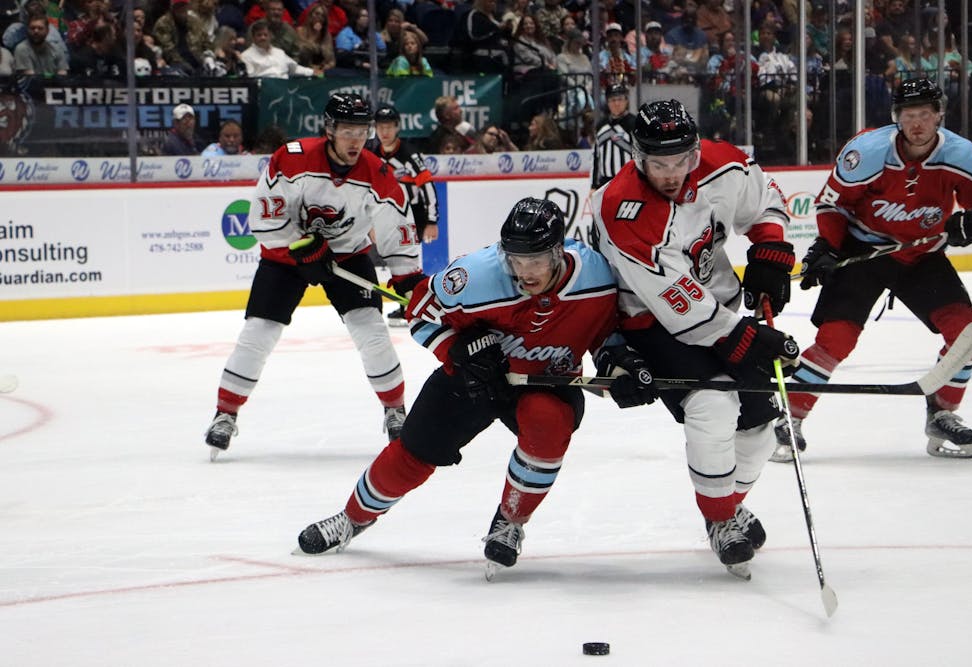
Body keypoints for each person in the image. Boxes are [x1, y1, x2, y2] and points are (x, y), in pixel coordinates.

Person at [295, 198, 657, 576]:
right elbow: (420, 315)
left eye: (535, 261)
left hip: (544, 379)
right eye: (516, 260)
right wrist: (458, 349)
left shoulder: (596, 276)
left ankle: (510, 522)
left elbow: (603, 332)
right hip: (474, 377)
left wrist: (618, 364)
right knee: (413, 454)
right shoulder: (474, 276)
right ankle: (351, 518)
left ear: (558, 252)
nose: (525, 272)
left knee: (548, 425)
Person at [590, 99, 799, 577]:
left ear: (695, 149)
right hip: (651, 322)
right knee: (713, 405)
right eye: (658, 164)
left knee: (760, 433)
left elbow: (763, 195)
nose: (671, 173)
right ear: (638, 156)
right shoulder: (621, 209)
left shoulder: (721, 162)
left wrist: (769, 249)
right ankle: (722, 519)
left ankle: (723, 504)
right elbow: (678, 306)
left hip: (720, 306)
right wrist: (748, 339)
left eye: (680, 161)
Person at [773, 77, 972, 461]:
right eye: (909, 115)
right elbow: (832, 204)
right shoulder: (867, 151)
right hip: (866, 251)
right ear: (896, 117)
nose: (917, 124)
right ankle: (789, 416)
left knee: (967, 333)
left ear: (939, 115)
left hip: (923, 255)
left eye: (925, 114)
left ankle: (942, 412)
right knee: (836, 338)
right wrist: (827, 245)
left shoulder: (961, 155)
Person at [204, 93, 425, 460]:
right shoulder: (292, 158)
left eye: (362, 131)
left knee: (371, 330)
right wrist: (302, 246)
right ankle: (224, 414)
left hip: (346, 257)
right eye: (348, 131)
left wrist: (406, 280)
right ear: (330, 129)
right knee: (259, 332)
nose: (356, 140)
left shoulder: (379, 173)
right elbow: (263, 218)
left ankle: (395, 411)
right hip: (285, 258)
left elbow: (397, 231)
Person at [366, 103, 438, 325]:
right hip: (383, 216)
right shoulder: (371, 155)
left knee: (408, 263)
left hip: (412, 215)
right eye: (380, 127)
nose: (384, 132)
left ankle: (414, 305)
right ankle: (403, 303)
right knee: (386, 262)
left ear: (397, 127)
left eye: (389, 127)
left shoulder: (409, 154)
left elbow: (427, 186)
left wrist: (432, 220)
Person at [590, 81, 634, 191]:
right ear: (607, 102)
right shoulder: (601, 125)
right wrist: (593, 185)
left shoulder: (634, 124)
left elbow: (641, 157)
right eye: (613, 100)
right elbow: (596, 157)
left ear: (626, 100)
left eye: (620, 99)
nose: (617, 103)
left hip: (629, 182)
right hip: (605, 184)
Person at [242, 20, 316, 78]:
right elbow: (249, 79)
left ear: (270, 36)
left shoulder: (279, 53)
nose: (263, 37)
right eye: (259, 35)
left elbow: (294, 69)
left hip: (284, 89)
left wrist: (312, 72)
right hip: (263, 92)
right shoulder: (246, 56)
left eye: (265, 35)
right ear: (253, 37)